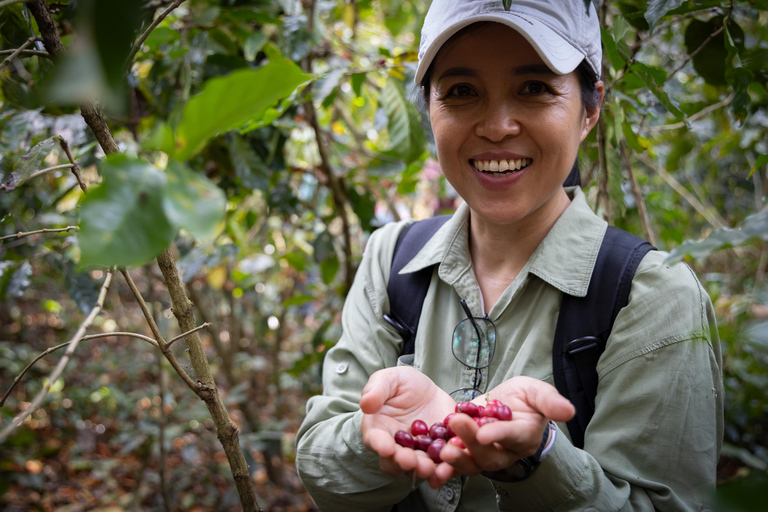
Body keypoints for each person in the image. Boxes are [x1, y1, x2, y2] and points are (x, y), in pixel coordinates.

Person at [296, 0, 724, 510]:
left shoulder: (653, 298)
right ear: (429, 109)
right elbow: (322, 468)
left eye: (534, 88)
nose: (497, 126)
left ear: (590, 110)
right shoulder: (392, 260)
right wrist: (378, 439)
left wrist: (539, 458)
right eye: (461, 92)